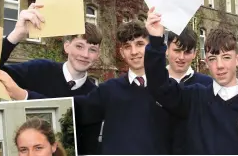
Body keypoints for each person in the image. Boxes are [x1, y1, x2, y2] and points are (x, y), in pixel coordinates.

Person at [0, 3, 103, 155]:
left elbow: (89, 148)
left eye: (92, 50)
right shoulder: (39, 69)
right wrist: (16, 35)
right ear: (66, 47)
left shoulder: (95, 95)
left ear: (97, 55)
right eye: (79, 46)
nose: (85, 54)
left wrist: (22, 95)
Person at [144, 7, 238, 154]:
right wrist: (156, 40)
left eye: (226, 57)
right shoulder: (194, 97)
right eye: (213, 59)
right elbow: (160, 87)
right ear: (206, 62)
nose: (219, 66)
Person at [73, 20, 174, 155]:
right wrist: (34, 96)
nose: (134, 52)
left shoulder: (169, 90)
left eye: (139, 44)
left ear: (150, 47)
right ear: (121, 52)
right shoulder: (108, 91)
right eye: (127, 46)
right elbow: (73, 110)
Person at [165, 29, 212, 154]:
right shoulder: (153, 83)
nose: (181, 57)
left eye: (187, 52)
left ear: (195, 53)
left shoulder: (208, 85)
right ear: (166, 50)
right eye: (177, 50)